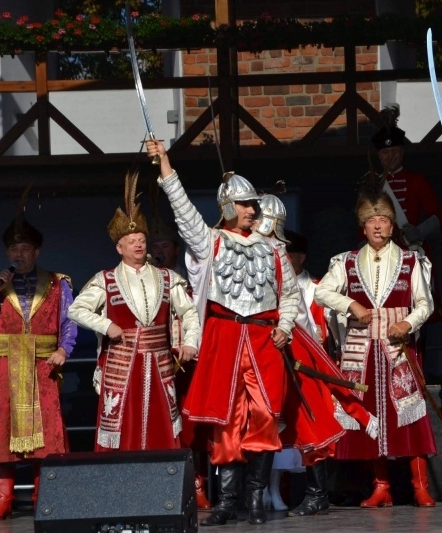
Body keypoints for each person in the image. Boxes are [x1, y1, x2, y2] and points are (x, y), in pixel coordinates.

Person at [148, 141, 301, 527]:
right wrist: (166, 167)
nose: (254, 210)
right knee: (226, 420)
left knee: (265, 415)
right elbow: (184, 214)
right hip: (225, 337)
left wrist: (284, 326)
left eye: (255, 204)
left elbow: (291, 293)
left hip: (264, 340)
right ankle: (227, 501)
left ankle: (255, 501)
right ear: (230, 207)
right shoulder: (211, 241)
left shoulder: (274, 248)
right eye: (247, 204)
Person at [254, 195, 378, 517]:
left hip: (292, 342)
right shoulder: (249, 256)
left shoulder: (278, 258)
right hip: (259, 343)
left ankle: (316, 492)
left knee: (310, 418)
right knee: (259, 418)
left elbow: (292, 304)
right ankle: (251, 494)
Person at [314, 184, 438, 508]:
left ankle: (420, 485)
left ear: (393, 225)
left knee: (410, 418)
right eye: (372, 221)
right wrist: (349, 306)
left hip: (397, 348)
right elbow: (322, 292)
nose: (378, 225)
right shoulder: (347, 261)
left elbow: (425, 304)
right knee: (371, 419)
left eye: (383, 219)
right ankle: (381, 485)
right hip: (364, 350)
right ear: (363, 226)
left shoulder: (411, 261)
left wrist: (408, 323)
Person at [68, 172, 200, 453]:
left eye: (141, 239)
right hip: (121, 365)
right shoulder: (105, 279)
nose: (138, 244)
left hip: (159, 364)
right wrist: (106, 325)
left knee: (162, 428)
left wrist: (190, 342)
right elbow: (76, 309)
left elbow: (189, 313)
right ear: (119, 247)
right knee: (122, 428)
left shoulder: (167, 278)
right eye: (132, 241)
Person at [0, 209, 76, 520]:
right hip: (4, 368)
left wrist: (65, 350)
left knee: (48, 435)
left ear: (36, 252)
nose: (19, 254)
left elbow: (69, 321)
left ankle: (45, 497)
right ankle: (4, 499)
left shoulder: (57, 283)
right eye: (14, 249)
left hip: (43, 365)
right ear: (7, 253)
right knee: (1, 432)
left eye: (25, 248)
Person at [148, 215, 211, 509]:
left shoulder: (190, 279)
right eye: (155, 245)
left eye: (165, 245)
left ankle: (197, 485)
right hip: (152, 363)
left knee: (191, 429)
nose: (159, 250)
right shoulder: (145, 280)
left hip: (186, 362)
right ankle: (161, 488)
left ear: (175, 249)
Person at [371, 105, 442, 254]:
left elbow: (438, 217)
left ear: (402, 152)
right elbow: (364, 226)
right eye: (385, 152)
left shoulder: (417, 181)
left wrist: (417, 233)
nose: (391, 156)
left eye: (394, 151)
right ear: (379, 155)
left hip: (412, 248)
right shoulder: (373, 186)